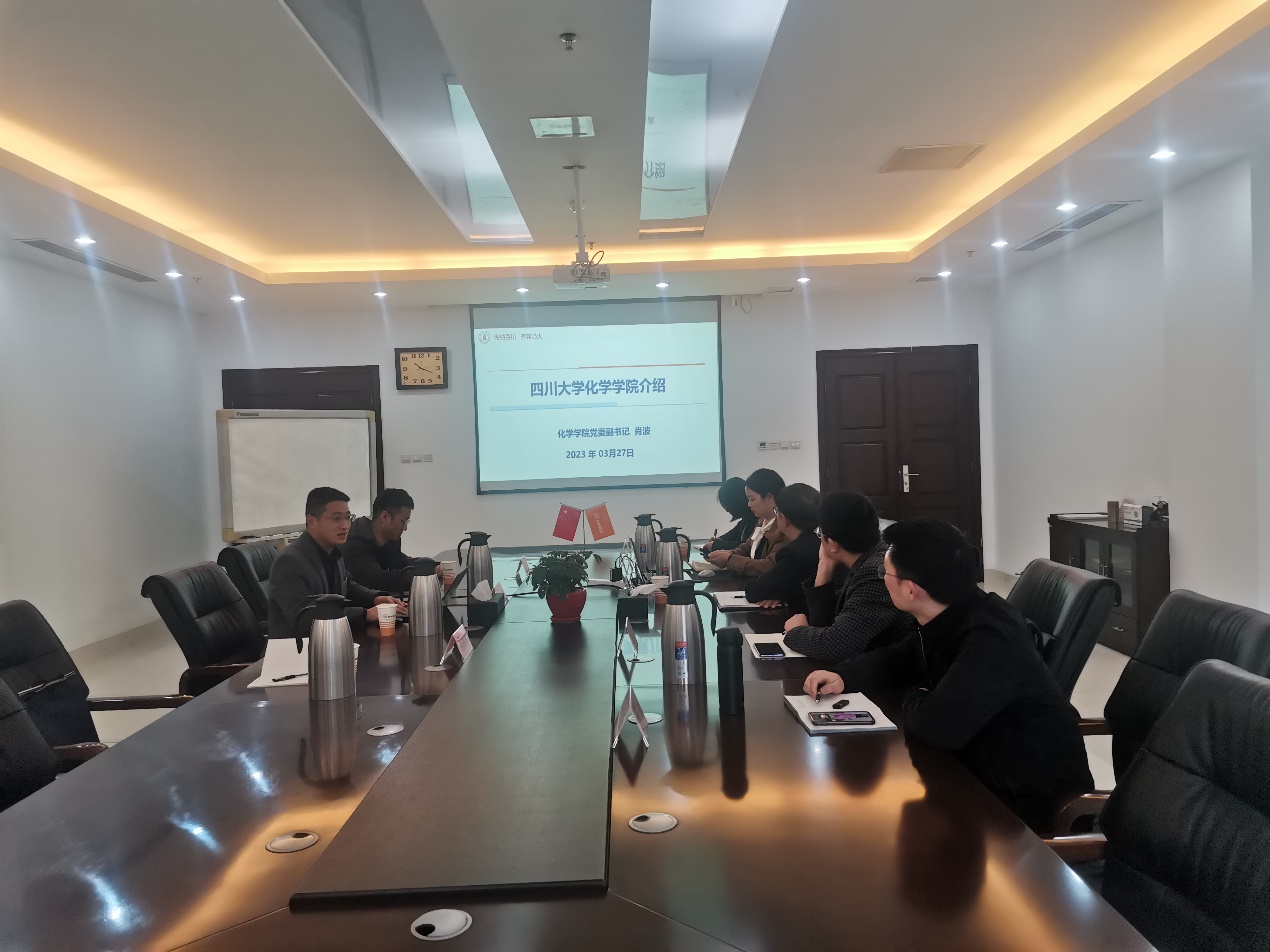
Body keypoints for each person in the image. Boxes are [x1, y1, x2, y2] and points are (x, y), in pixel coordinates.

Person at [802, 519, 1093, 834]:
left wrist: (914, 695)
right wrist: (843, 676)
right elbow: (900, 657)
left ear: (911, 589)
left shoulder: (991, 639)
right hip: (974, 768)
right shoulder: (953, 611)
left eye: (886, 573)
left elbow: (937, 726)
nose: (883, 580)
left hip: (1021, 809)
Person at [782, 491, 913, 662]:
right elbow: (824, 625)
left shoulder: (877, 571)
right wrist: (824, 568)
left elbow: (836, 646)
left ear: (832, 543)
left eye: (820, 532)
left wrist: (795, 631)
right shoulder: (865, 558)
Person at [267, 487, 404, 641]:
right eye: (336, 519)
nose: (345, 525)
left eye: (348, 518)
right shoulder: (290, 562)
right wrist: (365, 614)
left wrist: (375, 598)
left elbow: (348, 586)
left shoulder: (333, 552)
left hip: (329, 641)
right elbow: (305, 618)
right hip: (295, 649)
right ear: (312, 521)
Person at [744, 483, 821, 612]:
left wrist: (779, 593)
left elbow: (754, 591)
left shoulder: (793, 553)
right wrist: (783, 594)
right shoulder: (820, 543)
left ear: (783, 518)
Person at [706, 468, 786, 577]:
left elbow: (768, 566)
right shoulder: (762, 522)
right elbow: (746, 548)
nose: (749, 504)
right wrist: (729, 553)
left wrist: (730, 559)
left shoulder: (784, 529)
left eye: (752, 499)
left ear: (769, 498)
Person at [344, 488, 420, 593]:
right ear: (385, 517)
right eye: (403, 522)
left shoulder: (390, 539)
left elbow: (402, 562)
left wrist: (428, 567)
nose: (405, 528)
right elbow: (377, 580)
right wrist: (420, 576)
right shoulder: (355, 542)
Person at [700, 477, 757, 556]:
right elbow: (732, 535)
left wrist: (716, 545)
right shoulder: (746, 520)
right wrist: (717, 540)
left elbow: (746, 547)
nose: (727, 510)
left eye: (727, 506)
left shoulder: (756, 520)